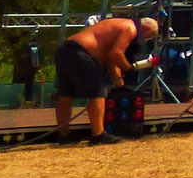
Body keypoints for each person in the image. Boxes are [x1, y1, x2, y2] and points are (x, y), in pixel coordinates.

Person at [54, 15, 160, 145]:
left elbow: (111, 60)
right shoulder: (130, 28)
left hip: (65, 50)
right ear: (146, 28)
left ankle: (64, 135)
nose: (145, 40)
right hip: (83, 53)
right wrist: (129, 68)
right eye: (148, 36)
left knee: (66, 94)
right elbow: (116, 54)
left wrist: (120, 86)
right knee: (97, 93)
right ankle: (98, 134)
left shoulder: (117, 23)